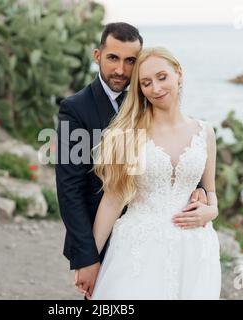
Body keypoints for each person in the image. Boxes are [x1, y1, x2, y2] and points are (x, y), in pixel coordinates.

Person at [55, 23, 208, 300]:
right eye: (113, 58)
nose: (121, 70)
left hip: (171, 239)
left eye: (130, 61)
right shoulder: (75, 110)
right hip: (105, 240)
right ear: (98, 55)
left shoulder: (152, 94)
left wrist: (203, 194)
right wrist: (87, 257)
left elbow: (179, 158)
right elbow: (70, 191)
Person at [90, 47, 221, 299]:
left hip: (195, 248)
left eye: (162, 77)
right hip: (139, 249)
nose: (156, 88)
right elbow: (113, 200)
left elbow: (210, 191)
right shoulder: (128, 134)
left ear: (178, 74)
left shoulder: (205, 133)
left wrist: (211, 210)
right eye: (146, 83)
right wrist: (90, 259)